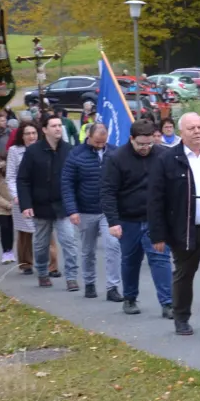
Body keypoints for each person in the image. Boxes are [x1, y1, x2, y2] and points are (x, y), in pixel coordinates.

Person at [148, 112, 200, 338]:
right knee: (184, 276)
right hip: (183, 230)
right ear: (181, 133)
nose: (197, 131)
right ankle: (181, 317)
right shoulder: (166, 160)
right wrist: (158, 235)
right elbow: (156, 200)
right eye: (191, 128)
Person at [102, 118, 174, 318]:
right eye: (140, 144)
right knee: (130, 261)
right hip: (128, 219)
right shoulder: (116, 158)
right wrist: (113, 221)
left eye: (149, 143)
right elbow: (108, 191)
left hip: (155, 220)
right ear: (131, 139)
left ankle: (168, 303)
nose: (145, 148)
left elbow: (172, 187)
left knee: (161, 259)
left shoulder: (163, 155)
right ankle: (130, 298)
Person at [17, 114, 80, 290]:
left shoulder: (69, 150)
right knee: (41, 244)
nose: (58, 128)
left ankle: (72, 278)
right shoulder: (33, 151)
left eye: (60, 125)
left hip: (63, 205)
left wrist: (76, 203)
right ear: (44, 130)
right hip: (41, 205)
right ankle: (43, 273)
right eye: (53, 126)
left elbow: (77, 177)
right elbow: (23, 180)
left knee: (69, 241)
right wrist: (26, 204)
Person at [62, 121, 123, 301]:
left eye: (102, 142)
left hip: (108, 211)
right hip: (85, 210)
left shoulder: (114, 153)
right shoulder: (76, 154)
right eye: (96, 142)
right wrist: (72, 210)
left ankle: (113, 287)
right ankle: (89, 282)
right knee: (88, 250)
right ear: (89, 136)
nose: (99, 145)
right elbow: (67, 183)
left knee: (113, 246)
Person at [5, 122, 46, 274]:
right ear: (22, 136)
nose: (31, 136)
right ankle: (26, 263)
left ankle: (50, 264)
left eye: (33, 133)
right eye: (27, 134)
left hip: (41, 195)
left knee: (46, 229)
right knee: (25, 232)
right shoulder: (15, 151)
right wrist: (16, 196)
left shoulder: (44, 148)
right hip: (22, 196)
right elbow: (10, 176)